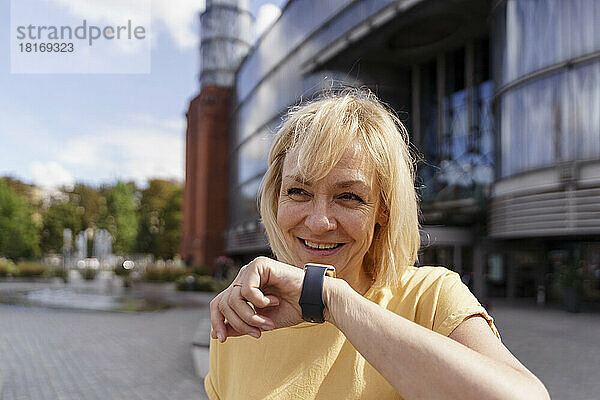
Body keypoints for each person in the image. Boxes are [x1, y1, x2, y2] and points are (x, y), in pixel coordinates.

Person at [206, 90, 549, 399]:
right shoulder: (241, 324)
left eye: (349, 197)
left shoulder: (428, 298)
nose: (318, 221)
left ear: (382, 211)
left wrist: (328, 298)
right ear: (276, 198)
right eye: (299, 192)